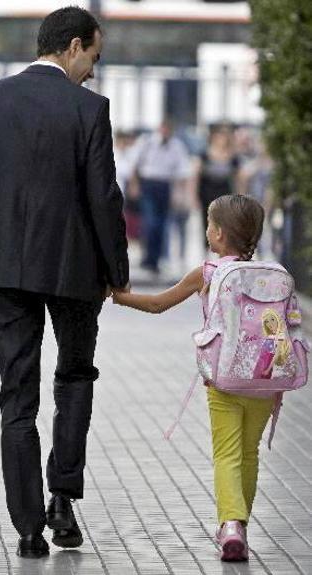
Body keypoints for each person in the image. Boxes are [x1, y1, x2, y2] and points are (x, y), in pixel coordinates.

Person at [0, 6, 129, 559]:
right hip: (75, 271)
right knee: (75, 379)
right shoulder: (89, 110)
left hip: (2, 269)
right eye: (94, 56)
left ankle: (28, 529)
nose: (93, 71)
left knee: (16, 396)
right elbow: (104, 199)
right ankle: (63, 501)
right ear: (74, 46)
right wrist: (116, 273)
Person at [113, 195, 275, 562]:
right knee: (249, 453)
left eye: (207, 225)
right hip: (266, 380)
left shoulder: (208, 272)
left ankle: (230, 525)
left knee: (227, 454)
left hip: (223, 381)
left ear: (217, 234)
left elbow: (158, 304)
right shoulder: (270, 274)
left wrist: (121, 297)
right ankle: (238, 524)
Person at [130, 120, 189, 276]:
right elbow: (134, 165)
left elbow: (182, 171)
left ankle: (155, 259)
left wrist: (179, 194)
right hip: (149, 184)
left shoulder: (177, 146)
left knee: (162, 224)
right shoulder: (147, 142)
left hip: (165, 185)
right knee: (151, 222)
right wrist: (135, 185)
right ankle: (148, 257)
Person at [192, 124, 244, 248]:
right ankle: (207, 248)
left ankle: (222, 249)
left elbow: (239, 178)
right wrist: (194, 196)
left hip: (225, 192)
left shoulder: (233, 157)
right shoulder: (204, 155)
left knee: (225, 223)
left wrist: (241, 196)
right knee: (208, 222)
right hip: (207, 192)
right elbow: (196, 176)